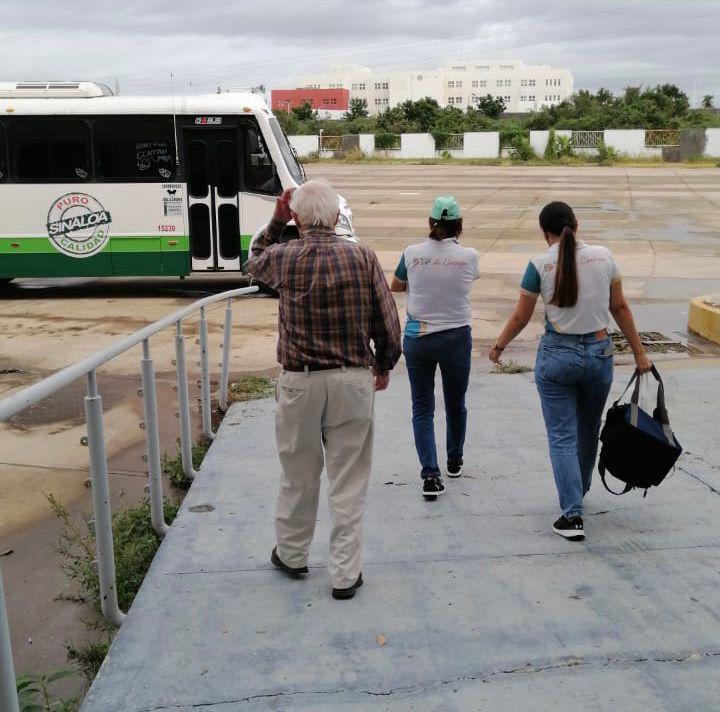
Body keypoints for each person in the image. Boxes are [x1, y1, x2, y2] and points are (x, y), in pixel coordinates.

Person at [245, 180, 402, 599]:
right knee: (347, 479)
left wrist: (277, 221)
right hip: (351, 378)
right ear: (336, 217)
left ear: (297, 217)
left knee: (298, 473)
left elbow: (254, 261)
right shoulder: (362, 256)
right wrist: (383, 364)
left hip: (299, 379)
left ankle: (293, 555)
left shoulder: (283, 257)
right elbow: (387, 322)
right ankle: (345, 575)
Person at [489, 201, 651, 541]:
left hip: (557, 356)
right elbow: (619, 307)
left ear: (544, 232)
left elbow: (520, 317)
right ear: (576, 224)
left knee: (561, 436)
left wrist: (499, 346)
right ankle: (579, 491)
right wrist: (639, 354)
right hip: (599, 353)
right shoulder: (605, 257)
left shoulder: (538, 265)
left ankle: (571, 512)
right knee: (588, 430)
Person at [391, 196, 479, 498]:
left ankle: (430, 475)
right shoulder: (470, 256)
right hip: (456, 337)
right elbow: (467, 282)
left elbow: (397, 284)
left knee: (422, 407)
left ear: (430, 223)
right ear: (460, 226)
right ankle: (454, 458)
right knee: (456, 402)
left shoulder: (411, 253)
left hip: (418, 339)